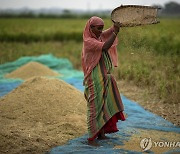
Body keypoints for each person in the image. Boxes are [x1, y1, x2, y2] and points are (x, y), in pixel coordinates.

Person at [81, 16, 125, 146]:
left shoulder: (98, 36)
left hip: (104, 76)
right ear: (91, 28)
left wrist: (115, 27)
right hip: (94, 78)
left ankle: (101, 134)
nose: (101, 31)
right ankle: (91, 137)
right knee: (94, 107)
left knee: (104, 104)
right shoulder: (89, 41)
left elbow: (108, 32)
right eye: (98, 29)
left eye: (102, 28)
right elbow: (105, 46)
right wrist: (115, 32)